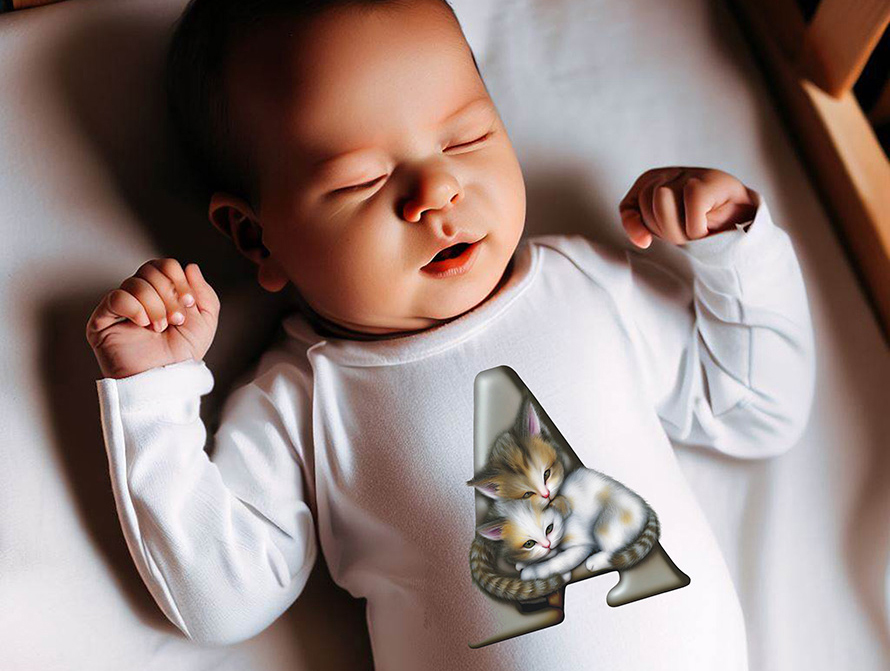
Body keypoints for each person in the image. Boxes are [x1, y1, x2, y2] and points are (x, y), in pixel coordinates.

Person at [85, 0, 816, 668]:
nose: (437, 190)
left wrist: (733, 249)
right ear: (256, 237)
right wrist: (152, 393)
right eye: (362, 181)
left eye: (466, 137)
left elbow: (755, 407)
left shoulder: (587, 287)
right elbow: (223, 597)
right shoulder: (306, 396)